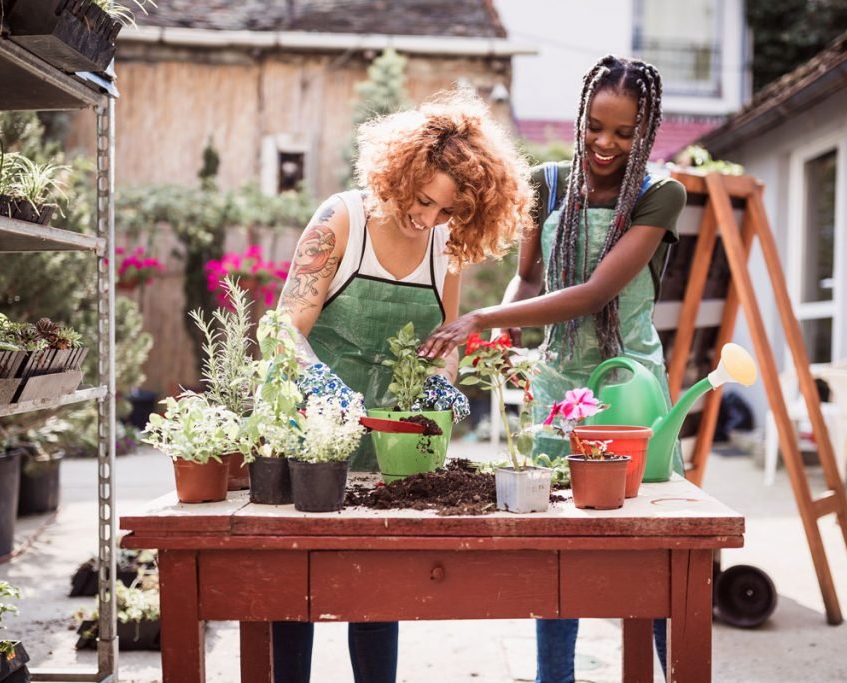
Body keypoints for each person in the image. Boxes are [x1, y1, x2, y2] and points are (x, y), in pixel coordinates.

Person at [417, 55, 685, 683]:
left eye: (625, 132)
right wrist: (503, 330)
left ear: (646, 130)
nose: (606, 144)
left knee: (650, 545)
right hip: (557, 381)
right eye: (597, 125)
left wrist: (480, 317)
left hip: (628, 387)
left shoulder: (660, 193)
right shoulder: (549, 182)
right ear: (582, 116)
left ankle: (675, 671)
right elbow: (531, 275)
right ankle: (553, 677)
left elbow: (595, 293)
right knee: (555, 540)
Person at [272, 88, 533, 683]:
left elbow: (445, 341)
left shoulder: (445, 245)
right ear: (399, 172)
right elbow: (284, 329)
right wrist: (318, 382)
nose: (429, 219)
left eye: (447, 211)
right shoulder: (342, 220)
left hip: (389, 441)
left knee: (373, 590)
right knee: (294, 591)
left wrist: (441, 389)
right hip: (312, 432)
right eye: (423, 201)